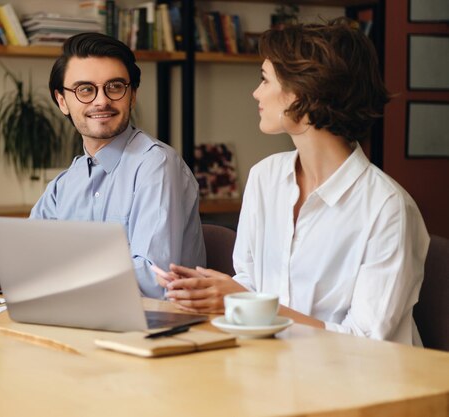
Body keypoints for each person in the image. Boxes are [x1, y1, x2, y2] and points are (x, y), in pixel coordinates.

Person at [155, 18, 429, 345]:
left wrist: (243, 301)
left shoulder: (387, 208)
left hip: (358, 379)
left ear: (302, 92)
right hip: (272, 364)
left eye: (265, 80)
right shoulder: (265, 177)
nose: (256, 92)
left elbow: (366, 339)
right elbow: (251, 283)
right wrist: (210, 293)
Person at [0, 32, 206, 299]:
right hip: (80, 317)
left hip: (152, 325)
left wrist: (47, 265)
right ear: (62, 101)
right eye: (85, 90)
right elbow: (26, 245)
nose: (101, 100)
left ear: (132, 95)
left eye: (115, 87)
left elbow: (154, 279)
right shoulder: (67, 182)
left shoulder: (156, 165)